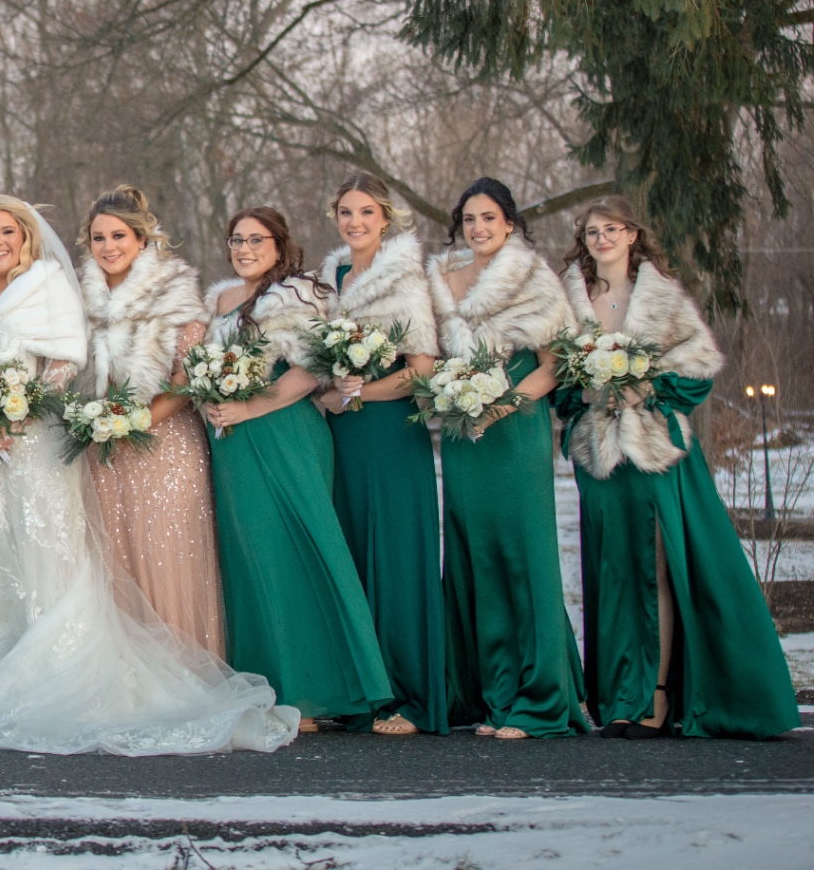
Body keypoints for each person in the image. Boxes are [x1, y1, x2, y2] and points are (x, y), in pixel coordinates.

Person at [0, 196, 297, 755]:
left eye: (7, 231)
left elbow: (65, 361)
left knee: (48, 555)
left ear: (26, 235)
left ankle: (53, 674)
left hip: (35, 442)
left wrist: (15, 413)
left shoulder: (49, 283)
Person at [558, 196, 798, 739]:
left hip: (654, 453)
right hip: (600, 457)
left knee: (656, 569)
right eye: (592, 231)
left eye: (611, 229)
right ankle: (621, 696)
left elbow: (698, 370)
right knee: (614, 573)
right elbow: (560, 385)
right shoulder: (568, 301)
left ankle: (658, 694)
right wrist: (588, 394)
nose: (602, 239)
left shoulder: (662, 296)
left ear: (632, 235)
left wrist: (647, 389)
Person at [203, 207, 393, 734]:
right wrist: (212, 401)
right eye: (237, 240)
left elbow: (310, 372)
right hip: (232, 443)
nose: (244, 249)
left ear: (279, 246)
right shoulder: (220, 300)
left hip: (284, 433)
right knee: (251, 559)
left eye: (256, 240)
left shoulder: (298, 294)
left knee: (295, 552)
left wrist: (248, 407)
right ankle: (265, 684)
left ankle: (312, 692)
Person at [428, 177, 588, 739]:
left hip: (516, 430)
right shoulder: (441, 281)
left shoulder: (531, 277)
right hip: (462, 435)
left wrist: (502, 405)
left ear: (510, 224)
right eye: (469, 219)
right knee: (477, 556)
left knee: (524, 554)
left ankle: (541, 699)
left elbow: (555, 363)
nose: (478, 228)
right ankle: (496, 696)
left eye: (489, 218)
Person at [313, 173, 446, 736]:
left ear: (385, 218)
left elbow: (422, 370)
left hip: (391, 431)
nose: (355, 222)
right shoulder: (328, 280)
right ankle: (361, 691)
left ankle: (409, 697)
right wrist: (329, 392)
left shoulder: (404, 278)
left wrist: (359, 393)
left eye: (366, 212)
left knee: (395, 556)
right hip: (341, 435)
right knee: (351, 550)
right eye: (346, 212)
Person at [77, 185, 224, 652]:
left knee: (166, 557)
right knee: (116, 561)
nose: (108, 247)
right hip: (104, 451)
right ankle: (128, 672)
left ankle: (182, 664)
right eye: (99, 238)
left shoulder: (174, 289)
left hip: (165, 446)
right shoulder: (82, 299)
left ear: (141, 239)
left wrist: (136, 422)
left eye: (118, 236)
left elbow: (187, 377)